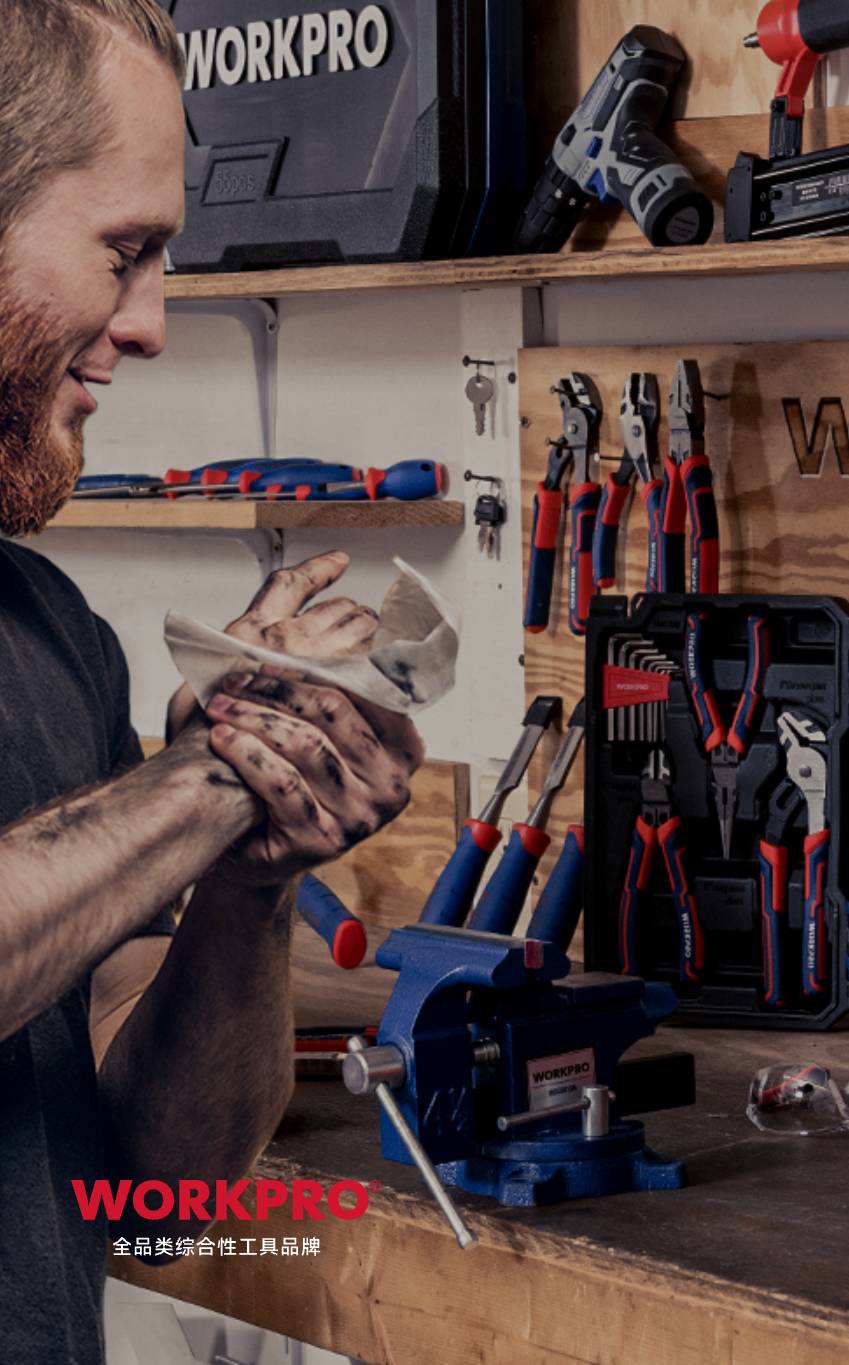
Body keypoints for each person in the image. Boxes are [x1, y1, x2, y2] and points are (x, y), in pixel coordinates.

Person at [0, 3, 424, 1360]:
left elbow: (159, 1201)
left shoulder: (52, 636)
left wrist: (249, 870)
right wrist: (209, 778)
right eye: (124, 252)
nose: (151, 324)